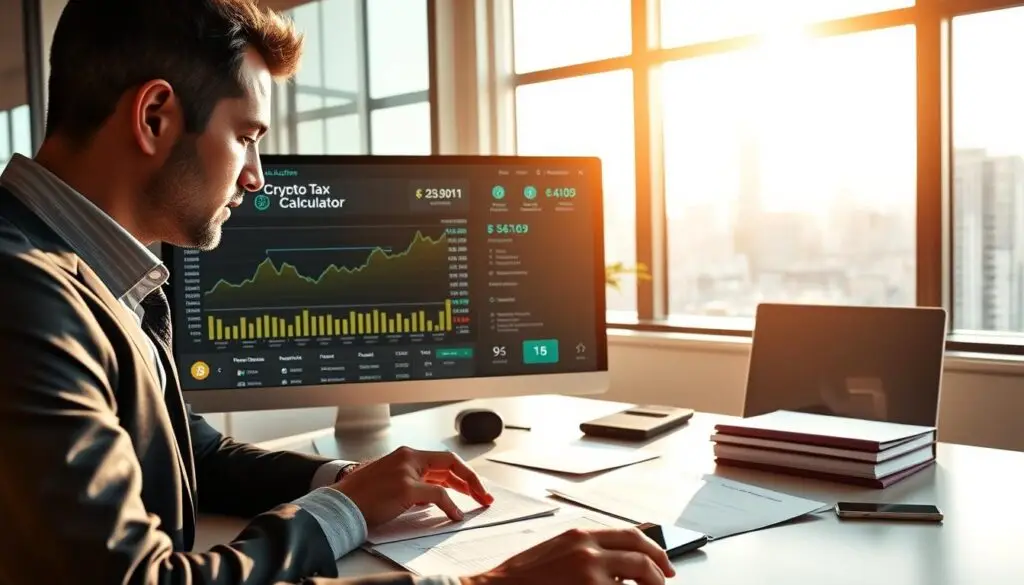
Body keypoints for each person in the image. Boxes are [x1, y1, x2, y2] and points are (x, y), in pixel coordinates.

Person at [0, 1, 676, 584]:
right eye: (246, 137)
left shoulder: (94, 270)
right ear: (154, 116)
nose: (257, 177)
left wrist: (349, 481)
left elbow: (190, 450)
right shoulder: (24, 291)